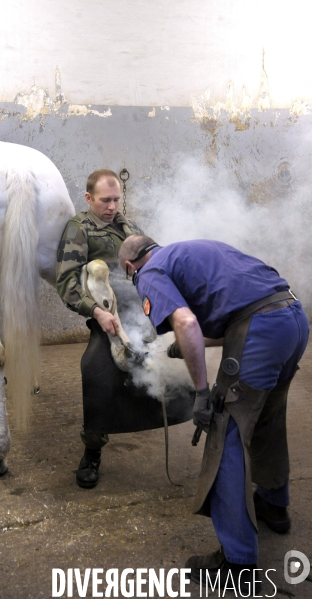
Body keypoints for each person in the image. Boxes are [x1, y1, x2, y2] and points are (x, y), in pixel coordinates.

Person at [119, 234, 309, 594]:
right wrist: (184, 342)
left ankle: (237, 562)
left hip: (261, 331)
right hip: (293, 320)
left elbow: (189, 323)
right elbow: (231, 315)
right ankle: (273, 504)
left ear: (130, 266)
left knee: (225, 431)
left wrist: (204, 393)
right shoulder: (194, 249)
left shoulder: (148, 272)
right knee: (268, 416)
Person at [56, 169, 144, 489]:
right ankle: (92, 452)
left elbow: (154, 261)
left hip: (142, 313)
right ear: (88, 198)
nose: (112, 206)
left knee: (179, 355)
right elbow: (67, 284)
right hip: (109, 318)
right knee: (95, 370)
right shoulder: (79, 230)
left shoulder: (128, 226)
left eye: (116, 199)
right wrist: (96, 312)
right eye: (105, 200)